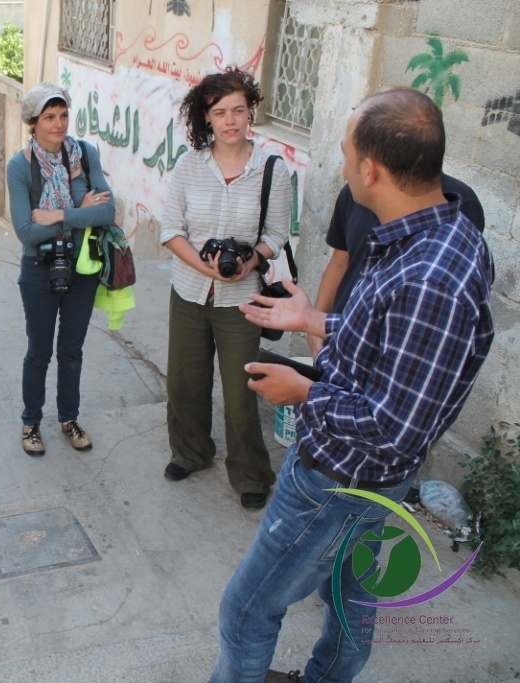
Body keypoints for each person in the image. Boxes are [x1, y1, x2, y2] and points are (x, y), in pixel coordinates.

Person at [217, 88, 494, 682]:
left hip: (342, 479)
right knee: (350, 599)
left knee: (246, 609)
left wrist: (304, 391)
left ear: (370, 168)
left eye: (345, 153)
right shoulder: (439, 229)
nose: (342, 164)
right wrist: (313, 319)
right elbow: (397, 339)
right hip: (369, 480)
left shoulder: (430, 276)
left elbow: (393, 428)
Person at [158, 67, 291, 510]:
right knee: (184, 383)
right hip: (190, 292)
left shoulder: (272, 170)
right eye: (220, 112)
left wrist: (250, 260)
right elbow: (171, 229)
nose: (231, 120)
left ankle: (251, 473)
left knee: (241, 391)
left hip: (242, 301)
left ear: (250, 112)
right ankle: (191, 452)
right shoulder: (189, 165)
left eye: (239, 110)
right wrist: (207, 269)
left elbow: (276, 235)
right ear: (206, 118)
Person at [5, 82, 116, 456]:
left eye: (64, 115)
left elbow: (107, 211)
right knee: (39, 351)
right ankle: (30, 423)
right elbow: (26, 232)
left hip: (81, 266)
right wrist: (79, 213)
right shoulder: (20, 166)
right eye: (49, 117)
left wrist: (58, 213)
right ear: (33, 122)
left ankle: (69, 418)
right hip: (39, 268)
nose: (58, 124)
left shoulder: (85, 154)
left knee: (72, 349)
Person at [309, 177, 484, 356]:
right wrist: (316, 322)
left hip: (398, 349)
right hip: (342, 338)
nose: (346, 169)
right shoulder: (355, 191)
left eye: (348, 155)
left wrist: (297, 385)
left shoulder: (460, 203)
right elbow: (340, 262)